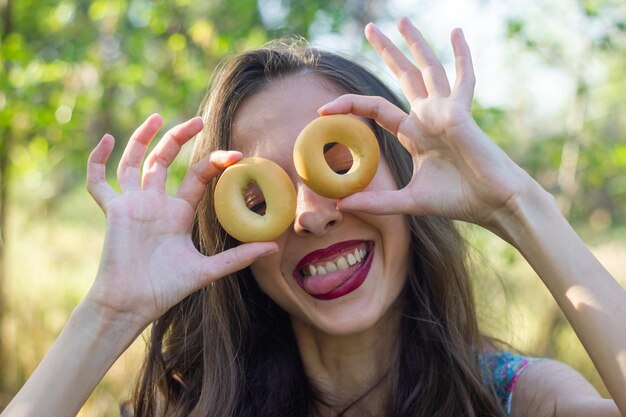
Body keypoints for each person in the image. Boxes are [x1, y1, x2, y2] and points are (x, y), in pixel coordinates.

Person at [2, 17, 625, 417]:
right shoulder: (193, 410)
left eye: (334, 162)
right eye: (260, 199)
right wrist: (110, 311)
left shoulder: (525, 401)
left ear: (405, 173)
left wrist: (518, 204)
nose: (310, 215)